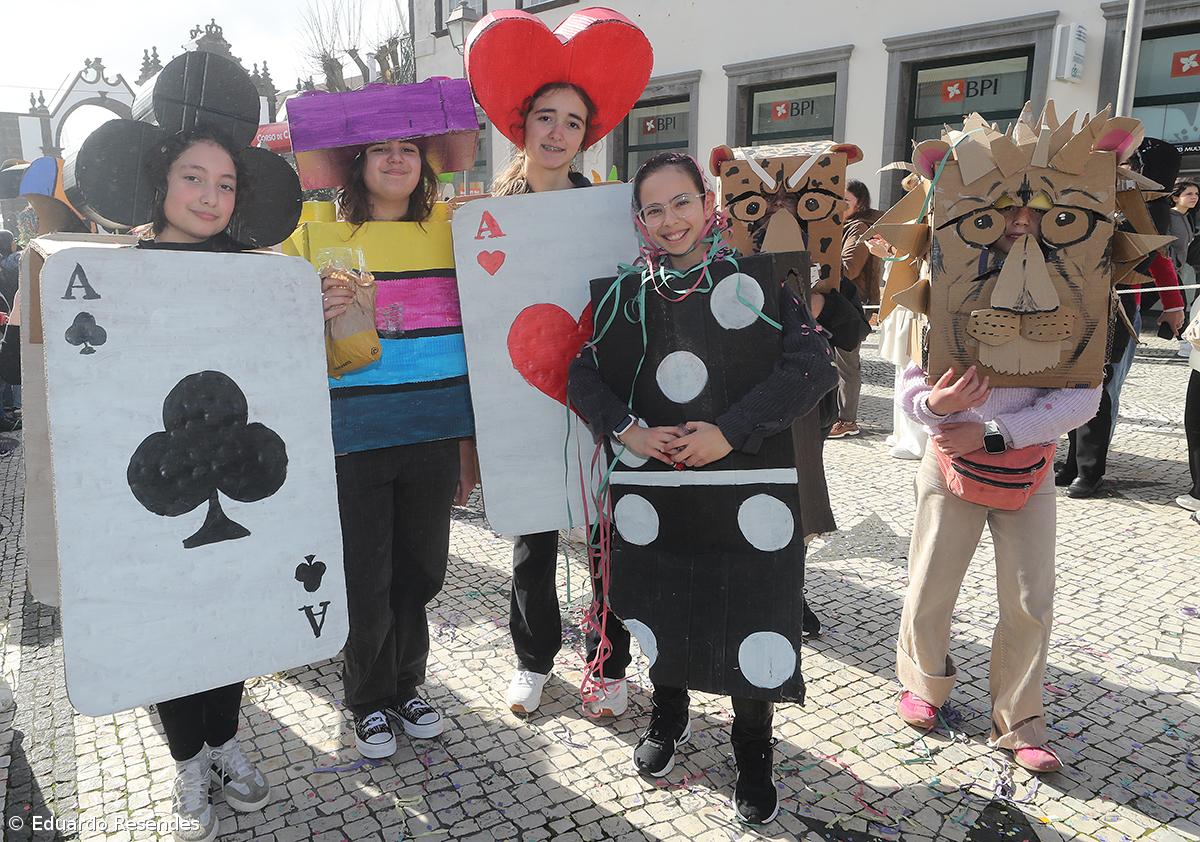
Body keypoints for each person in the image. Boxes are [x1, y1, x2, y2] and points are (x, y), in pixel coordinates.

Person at [569, 151, 837, 823]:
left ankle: (753, 751)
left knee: (750, 609)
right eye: (654, 209)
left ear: (707, 201)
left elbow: (813, 367)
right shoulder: (628, 295)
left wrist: (731, 429)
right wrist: (628, 430)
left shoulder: (756, 286)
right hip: (657, 494)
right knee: (664, 600)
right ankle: (670, 715)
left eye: (680, 202)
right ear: (640, 220)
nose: (670, 220)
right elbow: (582, 375)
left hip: (747, 489)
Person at [895, 202, 1102, 774]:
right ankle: (922, 684)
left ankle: (1019, 719)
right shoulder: (947, 281)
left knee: (1030, 598)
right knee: (932, 579)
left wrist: (994, 431)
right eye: (1003, 207)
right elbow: (913, 379)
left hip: (1025, 466)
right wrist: (935, 406)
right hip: (949, 462)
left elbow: (1084, 392)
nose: (1018, 219)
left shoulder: (1081, 287)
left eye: (1035, 210)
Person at [312, 135, 477, 758]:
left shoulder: (453, 233)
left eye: (408, 147)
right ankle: (367, 698)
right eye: (380, 148)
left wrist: (467, 446)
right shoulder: (317, 238)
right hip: (356, 437)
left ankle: (408, 684)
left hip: (432, 434)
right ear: (357, 162)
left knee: (421, 572)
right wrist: (310, 305)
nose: (395, 159)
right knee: (365, 578)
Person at [136, 127, 272, 842]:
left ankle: (223, 743)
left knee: (229, 616)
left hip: (236, 476)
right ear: (163, 182)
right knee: (168, 626)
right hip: (156, 483)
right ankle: (186, 760)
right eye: (194, 177)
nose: (209, 197)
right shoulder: (112, 273)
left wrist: (318, 315)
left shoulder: (258, 275)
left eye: (224, 184)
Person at [491, 81, 634, 718]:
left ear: (586, 136)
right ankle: (533, 656)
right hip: (520, 387)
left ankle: (608, 660)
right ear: (522, 125)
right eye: (545, 116)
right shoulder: (489, 214)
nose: (557, 133)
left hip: (599, 392)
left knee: (608, 534)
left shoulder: (606, 211)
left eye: (572, 123)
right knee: (533, 537)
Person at [827, 180, 879, 439]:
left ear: (859, 203)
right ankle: (834, 414)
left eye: (845, 200)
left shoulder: (857, 228)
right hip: (838, 303)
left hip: (850, 305)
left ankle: (847, 420)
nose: (839, 205)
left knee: (847, 364)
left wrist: (821, 260)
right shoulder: (839, 227)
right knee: (835, 362)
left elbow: (850, 268)